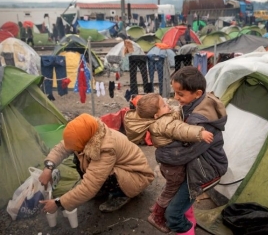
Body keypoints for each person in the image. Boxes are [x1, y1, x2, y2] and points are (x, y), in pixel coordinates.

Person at [124, 93, 214, 232]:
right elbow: (180, 129)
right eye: (164, 105)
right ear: (156, 115)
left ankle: (157, 207)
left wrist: (181, 108)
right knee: (171, 191)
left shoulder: (161, 118)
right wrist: (200, 133)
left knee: (170, 188)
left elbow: (173, 116)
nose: (168, 105)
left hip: (168, 166)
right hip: (174, 168)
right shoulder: (162, 124)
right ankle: (157, 216)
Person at [38, 113, 155, 214]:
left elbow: (90, 185)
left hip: (136, 176)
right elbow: (62, 148)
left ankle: (120, 195)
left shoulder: (106, 149)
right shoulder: (86, 132)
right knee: (77, 156)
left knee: (105, 174)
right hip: (122, 168)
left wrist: (59, 203)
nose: (71, 147)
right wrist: (49, 167)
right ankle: (103, 190)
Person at [159, 67, 228, 234]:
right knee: (180, 202)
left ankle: (187, 228)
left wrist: (160, 152)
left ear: (197, 93)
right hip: (197, 165)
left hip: (207, 170)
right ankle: (188, 218)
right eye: (175, 93)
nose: (176, 98)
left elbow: (182, 154)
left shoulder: (201, 123)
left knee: (172, 215)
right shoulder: (194, 104)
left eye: (180, 94)